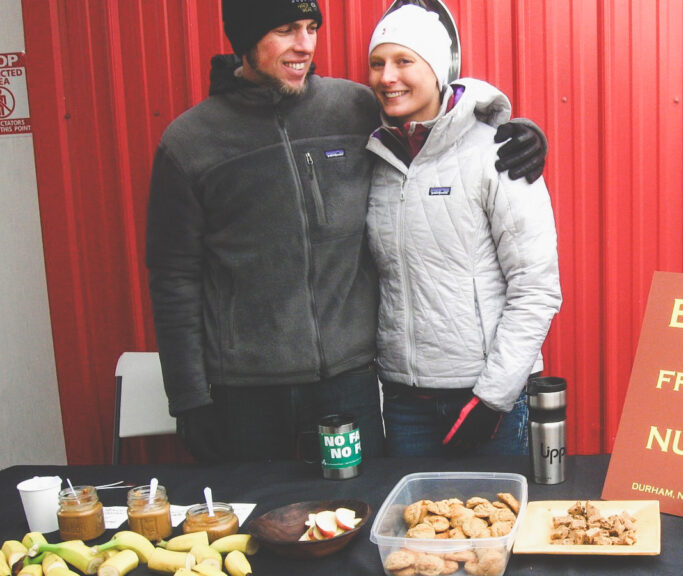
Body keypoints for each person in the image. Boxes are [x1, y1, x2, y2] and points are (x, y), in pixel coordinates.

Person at [146, 0, 548, 463]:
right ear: (244, 39)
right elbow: (173, 278)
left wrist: (517, 128)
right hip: (247, 391)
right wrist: (189, 398)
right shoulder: (191, 141)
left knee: (364, 514)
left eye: (310, 27)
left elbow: (444, 113)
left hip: (349, 384)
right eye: (285, 30)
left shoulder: (352, 108)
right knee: (257, 523)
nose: (304, 45)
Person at [364, 5, 562, 457]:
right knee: (412, 526)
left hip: (486, 398)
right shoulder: (375, 157)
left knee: (493, 522)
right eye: (378, 63)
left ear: (436, 69)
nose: (388, 76)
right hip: (404, 402)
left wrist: (493, 399)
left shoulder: (499, 151)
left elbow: (536, 287)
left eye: (404, 61)